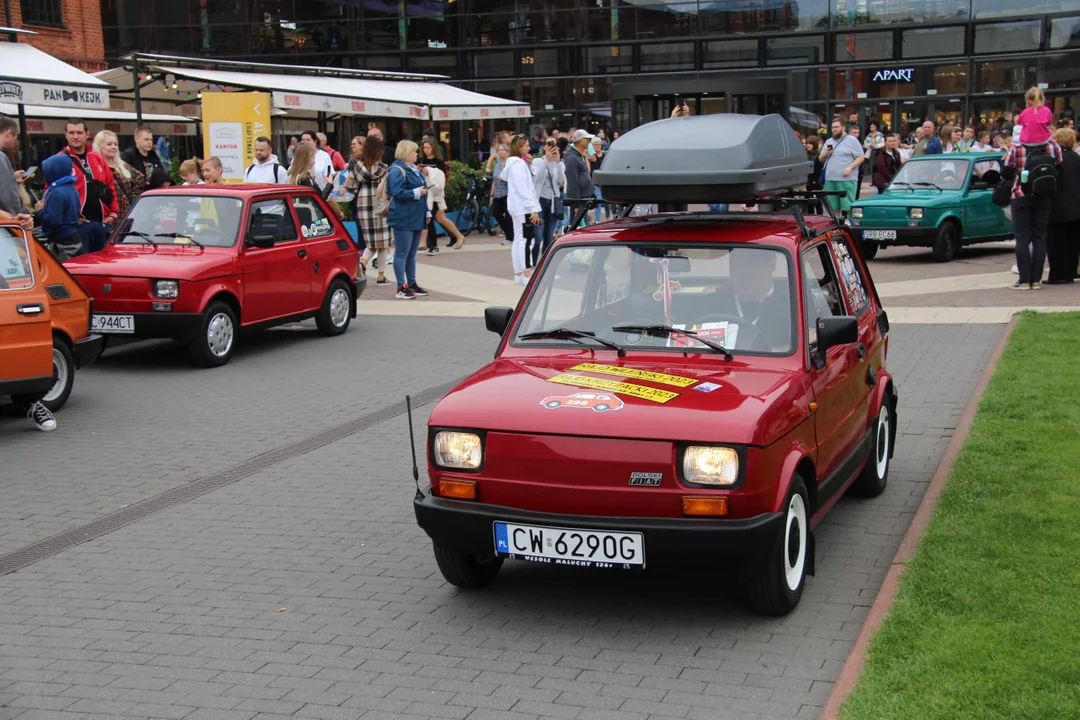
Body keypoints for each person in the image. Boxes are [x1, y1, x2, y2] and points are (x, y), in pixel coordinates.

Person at [1003, 132, 1064, 289]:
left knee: (1022, 238)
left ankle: (1024, 280)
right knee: (1040, 237)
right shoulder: (1053, 146)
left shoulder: (1016, 148)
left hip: (1021, 195)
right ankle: (1036, 280)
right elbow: (1059, 170)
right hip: (1044, 196)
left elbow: (1006, 173)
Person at [711, 249, 791, 352]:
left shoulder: (791, 304)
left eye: (754, 276)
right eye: (741, 277)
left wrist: (771, 351)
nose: (748, 283)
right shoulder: (714, 304)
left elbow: (808, 342)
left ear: (771, 266)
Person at [58, 119, 119, 254]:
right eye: (71, 133)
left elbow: (110, 187)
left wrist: (113, 214)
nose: (75, 136)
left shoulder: (97, 158)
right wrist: (71, 218)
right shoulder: (60, 160)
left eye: (79, 132)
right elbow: (52, 193)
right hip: (77, 226)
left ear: (87, 134)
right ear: (65, 135)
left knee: (104, 265)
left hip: (102, 224)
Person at [387, 140, 429, 299]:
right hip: (403, 217)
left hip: (416, 215)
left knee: (411, 253)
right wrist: (415, 193)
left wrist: (427, 212)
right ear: (406, 152)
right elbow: (396, 192)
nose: (417, 154)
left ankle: (411, 283)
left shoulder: (412, 169)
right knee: (402, 253)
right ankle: (401, 286)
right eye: (414, 151)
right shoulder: (397, 169)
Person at [500, 134, 541, 286]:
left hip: (519, 207)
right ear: (519, 147)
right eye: (526, 145)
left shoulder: (515, 164)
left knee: (519, 239)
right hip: (523, 207)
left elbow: (527, 183)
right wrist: (532, 209)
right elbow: (523, 188)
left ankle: (519, 273)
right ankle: (526, 273)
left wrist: (530, 166)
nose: (529, 148)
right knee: (526, 240)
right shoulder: (517, 164)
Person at [350, 137, 391, 285]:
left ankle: (363, 262)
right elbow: (389, 188)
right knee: (382, 241)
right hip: (380, 204)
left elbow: (350, 187)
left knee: (371, 241)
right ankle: (380, 275)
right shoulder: (384, 168)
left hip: (363, 206)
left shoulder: (357, 167)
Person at [418, 137, 466, 254]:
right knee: (440, 218)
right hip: (425, 193)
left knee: (431, 218)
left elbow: (440, 179)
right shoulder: (421, 160)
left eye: (428, 148)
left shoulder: (439, 162)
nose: (426, 150)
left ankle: (432, 245)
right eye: (424, 148)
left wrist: (429, 172)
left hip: (436, 194)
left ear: (433, 148)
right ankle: (458, 236)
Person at [1046, 128, 1080, 284]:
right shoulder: (1077, 158)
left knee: (1056, 243)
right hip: (1076, 207)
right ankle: (1070, 273)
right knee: (1073, 243)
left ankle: (1057, 274)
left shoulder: (1054, 160)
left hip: (1057, 207)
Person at [37, 153, 82, 261]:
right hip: (74, 238)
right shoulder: (72, 189)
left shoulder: (56, 193)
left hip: (62, 244)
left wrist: (40, 211)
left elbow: (54, 221)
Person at [93, 129, 148, 217]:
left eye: (116, 144)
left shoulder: (122, 165)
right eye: (109, 144)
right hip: (108, 216)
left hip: (127, 215)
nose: (114, 147)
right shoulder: (95, 168)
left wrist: (133, 197)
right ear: (99, 146)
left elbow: (140, 178)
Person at [819, 118, 865, 221]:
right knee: (833, 205)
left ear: (843, 127)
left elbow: (861, 157)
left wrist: (850, 167)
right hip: (830, 178)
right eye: (832, 127)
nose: (834, 129)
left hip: (846, 179)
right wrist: (826, 153)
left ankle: (849, 223)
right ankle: (836, 223)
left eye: (836, 127)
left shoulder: (852, 140)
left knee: (847, 205)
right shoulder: (829, 141)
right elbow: (820, 159)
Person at [531, 137, 565, 264]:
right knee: (538, 236)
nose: (551, 147)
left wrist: (557, 162)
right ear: (544, 147)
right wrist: (546, 160)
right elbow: (537, 178)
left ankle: (543, 266)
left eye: (554, 144)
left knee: (548, 237)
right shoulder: (537, 161)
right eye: (548, 144)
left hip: (552, 204)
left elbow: (561, 181)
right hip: (539, 202)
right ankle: (533, 265)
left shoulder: (560, 164)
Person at [0, 115, 32, 226]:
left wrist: (12, 177)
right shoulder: (1, 157)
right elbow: (8, 196)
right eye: (15, 137)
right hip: (8, 226)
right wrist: (18, 217)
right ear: (9, 133)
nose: (15, 141)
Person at [490, 142, 514, 246]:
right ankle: (509, 233)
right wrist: (491, 195)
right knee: (496, 213)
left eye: (502, 150)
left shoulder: (511, 164)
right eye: (499, 150)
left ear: (508, 152)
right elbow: (494, 181)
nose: (501, 152)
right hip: (498, 194)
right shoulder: (497, 166)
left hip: (508, 194)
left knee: (509, 217)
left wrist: (504, 177)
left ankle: (509, 237)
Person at [563, 129, 594, 207]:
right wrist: (576, 204)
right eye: (587, 139)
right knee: (577, 219)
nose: (589, 141)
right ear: (580, 141)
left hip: (584, 199)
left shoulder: (579, 156)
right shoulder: (572, 158)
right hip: (579, 201)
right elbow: (572, 181)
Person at [589, 136, 609, 223]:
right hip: (595, 182)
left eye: (599, 144)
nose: (598, 146)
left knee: (607, 201)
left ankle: (608, 217)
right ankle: (597, 220)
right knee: (598, 199)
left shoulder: (605, 155)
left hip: (604, 182)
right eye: (595, 145)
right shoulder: (591, 157)